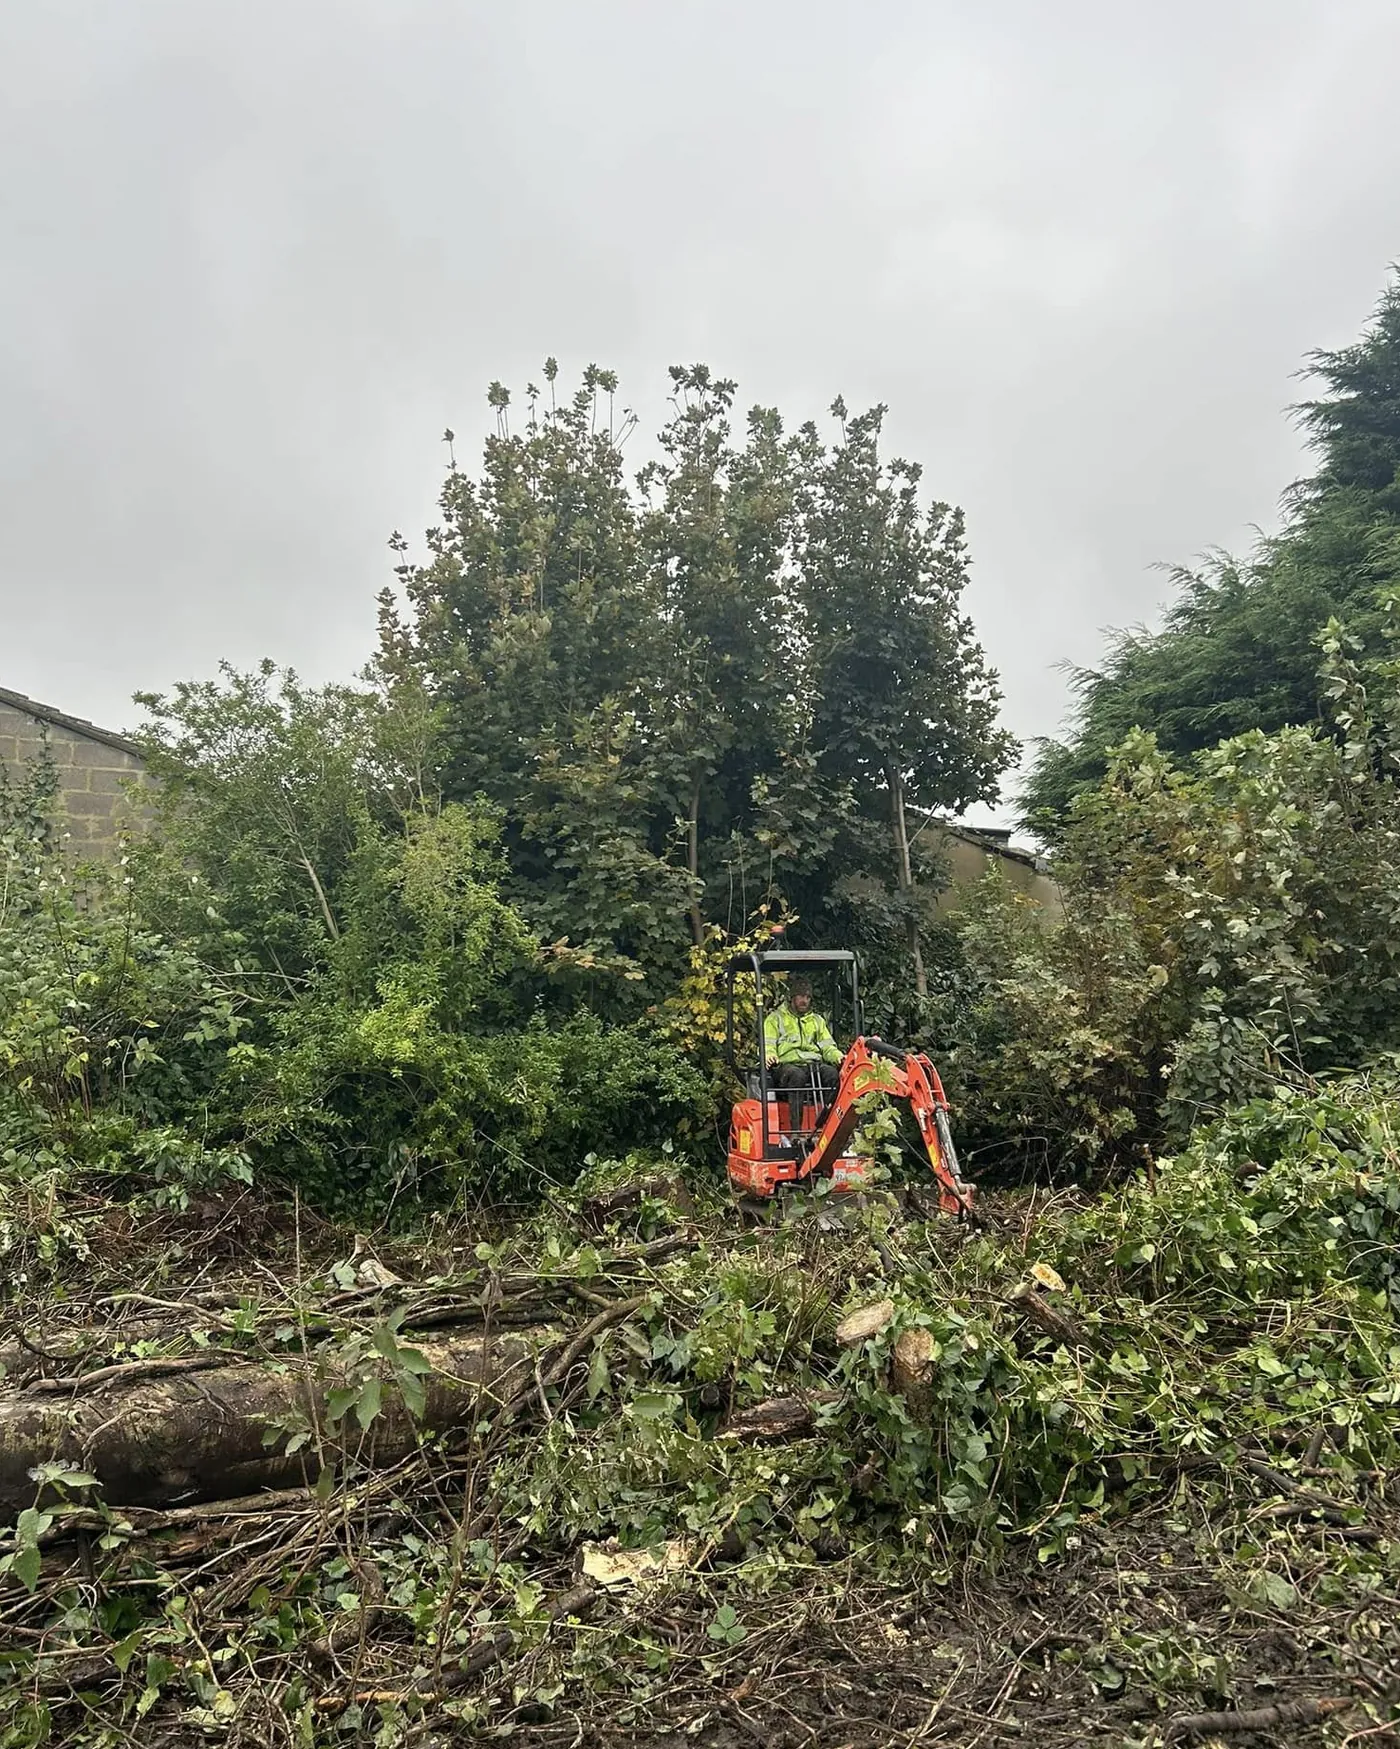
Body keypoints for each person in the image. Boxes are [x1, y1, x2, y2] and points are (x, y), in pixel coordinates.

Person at [763, 975, 842, 1134]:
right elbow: (767, 1044)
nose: (804, 1000)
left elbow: (828, 1047)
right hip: (785, 1067)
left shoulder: (817, 1021)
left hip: (813, 1066)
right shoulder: (775, 1019)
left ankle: (829, 1129)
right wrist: (769, 1055)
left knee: (833, 1075)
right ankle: (796, 1133)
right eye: (800, 996)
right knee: (797, 1076)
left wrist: (839, 1056)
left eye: (807, 997)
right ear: (792, 997)